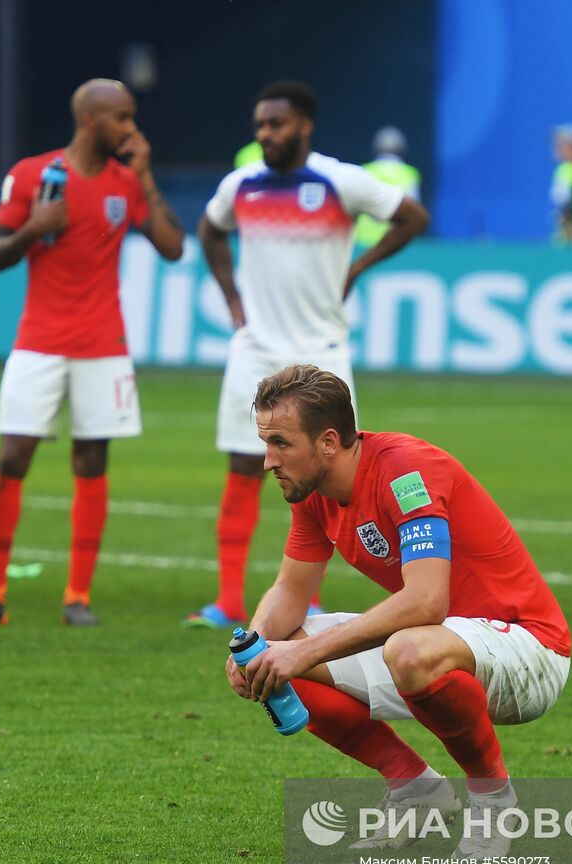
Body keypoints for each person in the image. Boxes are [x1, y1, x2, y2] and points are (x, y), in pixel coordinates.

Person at [227, 365, 571, 858]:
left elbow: (426, 601)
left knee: (406, 650)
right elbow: (289, 589)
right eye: (266, 441)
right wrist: (254, 645)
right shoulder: (313, 492)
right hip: (446, 643)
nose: (268, 460)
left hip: (529, 649)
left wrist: (300, 655)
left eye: (281, 443)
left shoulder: (404, 472)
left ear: (328, 442)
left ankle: (493, 801)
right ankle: (415, 789)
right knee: (273, 656)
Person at [183, 81, 428, 630]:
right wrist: (231, 297)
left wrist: (359, 268)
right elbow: (209, 230)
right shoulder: (241, 185)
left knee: (330, 473)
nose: (266, 134)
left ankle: (308, 598)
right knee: (243, 466)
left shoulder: (339, 181)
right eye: (261, 126)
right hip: (256, 347)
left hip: (321, 352)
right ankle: (227, 600)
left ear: (304, 126)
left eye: (277, 124)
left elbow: (412, 216)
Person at [0, 79, 184, 627]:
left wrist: (147, 177)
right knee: (13, 457)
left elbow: (173, 248)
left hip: (103, 345)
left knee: (91, 461)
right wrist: (34, 229)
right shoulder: (33, 175)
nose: (130, 127)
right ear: (90, 119)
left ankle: (77, 596)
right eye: (122, 118)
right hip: (38, 342)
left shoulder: (125, 182)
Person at [354, 126, 422, 248]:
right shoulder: (410, 174)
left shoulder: (364, 170)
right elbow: (415, 212)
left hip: (362, 243)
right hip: (395, 242)